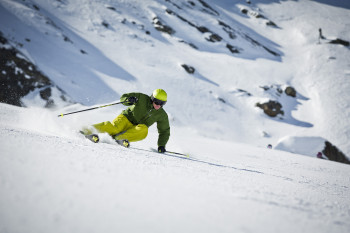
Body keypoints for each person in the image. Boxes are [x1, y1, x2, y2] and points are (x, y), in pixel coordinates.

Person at [82, 89, 170, 153]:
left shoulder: (162, 115)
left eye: (162, 103)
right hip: (126, 118)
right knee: (114, 129)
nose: (159, 105)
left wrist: (161, 145)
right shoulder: (142, 98)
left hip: (135, 128)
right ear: (152, 99)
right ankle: (87, 130)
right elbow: (124, 97)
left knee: (144, 130)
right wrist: (129, 100)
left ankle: (118, 139)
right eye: (157, 102)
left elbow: (164, 131)